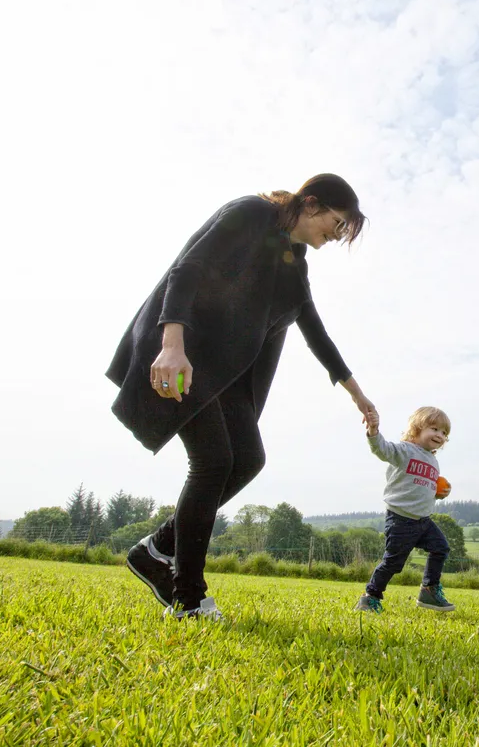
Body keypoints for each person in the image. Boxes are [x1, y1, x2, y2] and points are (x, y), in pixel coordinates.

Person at [106, 174, 376, 619]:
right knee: (213, 462)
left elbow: (314, 330)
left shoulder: (295, 262)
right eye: (338, 221)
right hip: (185, 350)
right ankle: (187, 597)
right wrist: (171, 345)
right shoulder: (250, 213)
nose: (338, 234)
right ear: (311, 204)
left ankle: (157, 549)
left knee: (247, 458)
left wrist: (357, 394)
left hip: (224, 374)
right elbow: (188, 268)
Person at [354, 406, 455, 614]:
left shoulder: (433, 461)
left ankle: (429, 590)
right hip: (400, 519)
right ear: (417, 429)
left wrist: (437, 492)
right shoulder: (405, 450)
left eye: (444, 433)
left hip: (423, 521)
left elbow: (421, 486)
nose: (440, 435)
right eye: (434, 429)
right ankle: (369, 597)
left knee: (441, 548)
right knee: (393, 563)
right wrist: (373, 431)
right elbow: (382, 449)